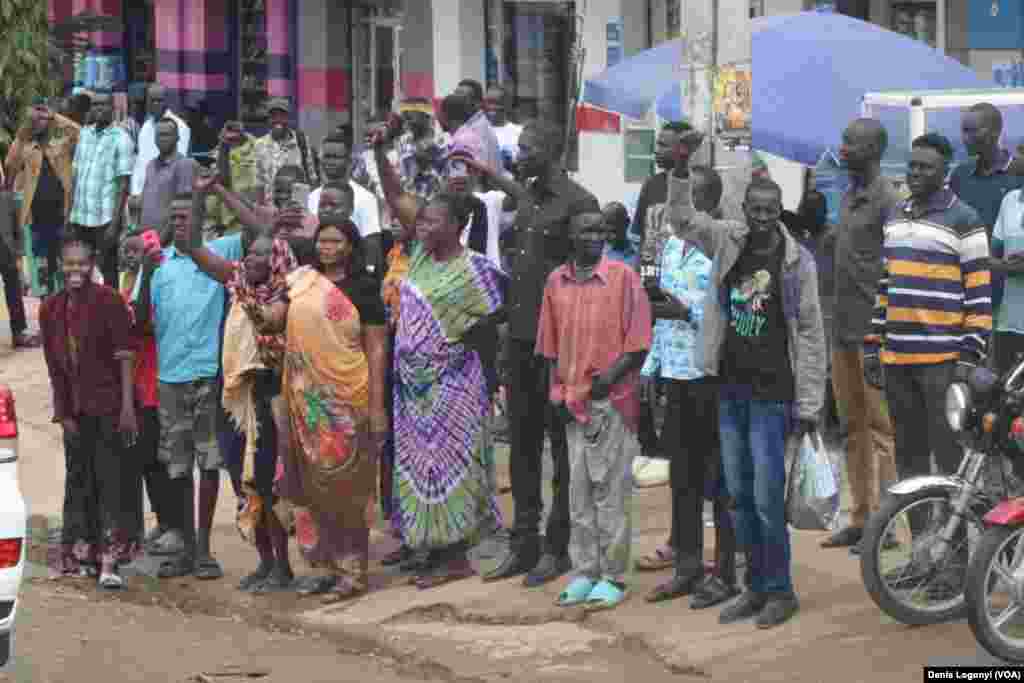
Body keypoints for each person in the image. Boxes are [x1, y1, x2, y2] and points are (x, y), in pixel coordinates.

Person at [669, 176, 827, 628]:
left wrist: (811, 403)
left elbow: (812, 334)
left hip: (773, 394)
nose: (762, 218)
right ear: (744, 208)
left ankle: (781, 591)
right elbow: (682, 220)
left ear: (780, 211)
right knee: (737, 496)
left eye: (771, 210)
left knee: (764, 498)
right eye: (755, 209)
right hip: (730, 389)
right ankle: (755, 587)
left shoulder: (798, 262)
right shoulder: (727, 239)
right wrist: (681, 173)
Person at [484, 118, 599, 588]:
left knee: (561, 448)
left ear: (550, 152)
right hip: (519, 337)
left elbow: (589, 277)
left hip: (559, 345)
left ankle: (559, 545)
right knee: (522, 444)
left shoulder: (579, 204)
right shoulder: (527, 197)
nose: (520, 154)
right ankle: (523, 541)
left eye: (528, 148)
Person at [255, 218, 388, 600]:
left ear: (350, 245)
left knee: (346, 486)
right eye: (322, 240)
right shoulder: (301, 280)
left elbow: (377, 348)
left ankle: (352, 571)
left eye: (336, 240)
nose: (328, 247)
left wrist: (377, 408)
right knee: (312, 485)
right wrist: (255, 305)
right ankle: (325, 567)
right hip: (305, 402)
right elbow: (275, 317)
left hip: (348, 398)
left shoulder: (364, 287)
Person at [172, 193, 298, 593]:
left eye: (263, 255)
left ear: (276, 259)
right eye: (251, 255)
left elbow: (273, 323)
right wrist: (204, 194)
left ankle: (283, 567)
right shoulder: (238, 283)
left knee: (268, 485)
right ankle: (264, 562)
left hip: (268, 401)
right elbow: (193, 246)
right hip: (233, 401)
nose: (254, 260)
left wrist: (257, 310)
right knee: (241, 482)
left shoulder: (286, 297)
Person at [391, 191, 506, 588]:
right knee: (420, 466)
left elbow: (501, 313)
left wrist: (466, 346)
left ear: (458, 225)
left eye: (432, 221)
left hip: (454, 382)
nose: (422, 226)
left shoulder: (476, 269)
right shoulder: (420, 256)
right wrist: (382, 155)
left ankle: (456, 556)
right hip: (411, 387)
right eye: (421, 221)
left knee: (452, 464)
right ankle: (432, 547)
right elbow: (398, 202)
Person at [537, 212, 650, 611]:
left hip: (612, 402)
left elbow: (638, 344)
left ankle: (613, 576)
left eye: (600, 230)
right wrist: (557, 391)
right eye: (586, 230)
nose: (595, 236)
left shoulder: (623, 278)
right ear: (570, 235)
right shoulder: (556, 282)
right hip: (571, 403)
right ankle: (584, 572)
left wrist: (607, 381)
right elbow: (549, 345)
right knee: (578, 494)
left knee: (611, 493)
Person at [864, 133, 992, 481]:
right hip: (896, 360)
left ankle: (957, 536)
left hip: (943, 363)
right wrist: (873, 345)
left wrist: (968, 359)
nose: (915, 173)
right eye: (912, 165)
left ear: (944, 170)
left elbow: (980, 297)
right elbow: (885, 286)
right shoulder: (894, 216)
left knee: (949, 454)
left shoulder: (965, 219)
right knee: (909, 456)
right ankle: (921, 534)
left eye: (926, 167)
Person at [641, 166, 738, 609]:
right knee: (682, 478)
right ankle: (686, 567)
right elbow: (661, 309)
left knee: (717, 479)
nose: (684, 205)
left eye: (694, 195)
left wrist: (687, 312)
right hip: (675, 376)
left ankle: (726, 572)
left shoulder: (723, 244)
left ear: (712, 201)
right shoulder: (674, 244)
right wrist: (651, 366)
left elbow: (727, 314)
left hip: (710, 375)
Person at [147, 191, 243, 579]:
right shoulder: (161, 266)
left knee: (209, 464)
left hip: (207, 374)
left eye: (188, 216)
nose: (180, 223)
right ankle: (186, 547)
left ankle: (204, 549)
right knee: (178, 467)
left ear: (202, 219)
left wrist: (219, 190)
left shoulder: (219, 250)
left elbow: (259, 231)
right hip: (170, 379)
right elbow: (150, 322)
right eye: (175, 217)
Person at [40, 233, 139, 588]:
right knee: (78, 481)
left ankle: (110, 561)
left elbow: (125, 355)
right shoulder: (50, 308)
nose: (75, 270)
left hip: (109, 407)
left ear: (92, 264)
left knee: (110, 480)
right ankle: (81, 556)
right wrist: (63, 412)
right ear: (61, 266)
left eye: (81, 263)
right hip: (74, 409)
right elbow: (54, 367)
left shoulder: (109, 301)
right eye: (69, 264)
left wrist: (128, 408)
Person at [820, 119, 899, 554]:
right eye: (844, 138)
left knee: (881, 429)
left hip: (873, 331)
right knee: (852, 428)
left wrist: (881, 328)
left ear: (875, 149)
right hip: (843, 327)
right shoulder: (848, 196)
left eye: (852, 142)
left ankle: (886, 523)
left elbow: (892, 267)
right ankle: (860, 516)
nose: (843, 147)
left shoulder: (888, 200)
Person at [632, 122, 706, 566]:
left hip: (704, 363)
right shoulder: (652, 196)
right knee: (679, 462)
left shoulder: (716, 237)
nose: (658, 151)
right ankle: (683, 545)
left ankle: (712, 550)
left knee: (706, 466)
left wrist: (680, 310)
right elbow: (646, 254)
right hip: (671, 354)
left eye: (667, 145)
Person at [119, 230, 172, 551]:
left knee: (156, 460)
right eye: (126, 251)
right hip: (135, 384)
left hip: (152, 381)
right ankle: (163, 521)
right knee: (144, 460)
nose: (128, 256)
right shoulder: (126, 285)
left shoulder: (156, 284)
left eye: (136, 251)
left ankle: (172, 523)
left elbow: (145, 326)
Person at [950, 103, 1024, 314]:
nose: (966, 138)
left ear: (995, 132)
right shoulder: (960, 175)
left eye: (973, 131)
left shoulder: (1018, 172)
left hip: (1008, 288)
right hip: (964, 285)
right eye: (964, 131)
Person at [4, 98, 80, 299]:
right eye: (34, 119)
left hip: (61, 218)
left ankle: (67, 316)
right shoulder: (28, 148)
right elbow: (10, 162)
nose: (38, 122)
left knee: (66, 271)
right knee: (42, 274)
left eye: (41, 119)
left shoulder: (60, 145)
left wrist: (54, 116)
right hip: (36, 221)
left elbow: (80, 134)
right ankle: (47, 317)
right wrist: (24, 127)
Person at [68, 93, 134, 287]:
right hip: (80, 216)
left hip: (105, 219)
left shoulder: (122, 138)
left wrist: (115, 224)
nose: (99, 109)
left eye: (103, 105)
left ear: (112, 108)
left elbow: (123, 185)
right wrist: (69, 215)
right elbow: (76, 176)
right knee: (80, 270)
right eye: (95, 105)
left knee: (108, 270)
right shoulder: (84, 134)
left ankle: (111, 314)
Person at [307, 133, 383, 270]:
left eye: (336, 157)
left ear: (349, 161)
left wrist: (368, 273)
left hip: (352, 273)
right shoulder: (312, 196)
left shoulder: (366, 198)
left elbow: (372, 243)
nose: (330, 161)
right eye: (327, 156)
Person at [136, 118, 195, 244]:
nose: (161, 139)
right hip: (146, 241)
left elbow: (181, 209)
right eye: (158, 135)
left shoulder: (184, 165)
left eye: (166, 135)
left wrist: (160, 242)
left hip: (167, 244)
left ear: (177, 137)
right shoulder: (151, 165)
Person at [130, 84, 190, 201]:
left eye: (159, 100)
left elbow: (178, 163)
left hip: (165, 196)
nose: (155, 104)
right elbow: (140, 162)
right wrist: (135, 192)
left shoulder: (179, 127)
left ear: (166, 102)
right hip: (141, 195)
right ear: (147, 102)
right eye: (152, 100)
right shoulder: (146, 127)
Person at [253, 98, 319, 204]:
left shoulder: (301, 141)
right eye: (273, 116)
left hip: (298, 207)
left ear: (288, 118)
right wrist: (260, 209)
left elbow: (311, 176)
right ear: (268, 119)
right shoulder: (259, 145)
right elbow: (258, 181)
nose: (278, 120)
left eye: (282, 115)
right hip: (271, 208)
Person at [204, 120, 261, 240]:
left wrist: (244, 136)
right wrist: (223, 144)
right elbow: (221, 181)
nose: (233, 137)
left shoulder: (257, 152)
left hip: (245, 225)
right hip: (221, 228)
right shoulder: (218, 155)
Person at [454, 79, 501, 174]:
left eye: (461, 98)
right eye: (455, 96)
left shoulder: (478, 130)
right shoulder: (468, 125)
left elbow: (479, 171)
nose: (455, 101)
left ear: (477, 103)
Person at [484, 85, 522, 177]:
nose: (491, 107)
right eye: (488, 102)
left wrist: (511, 162)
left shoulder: (519, 132)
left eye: (496, 102)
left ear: (507, 105)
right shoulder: (477, 132)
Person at [602, 202, 637, 268]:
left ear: (627, 223)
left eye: (616, 231)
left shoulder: (639, 254)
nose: (613, 237)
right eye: (608, 232)